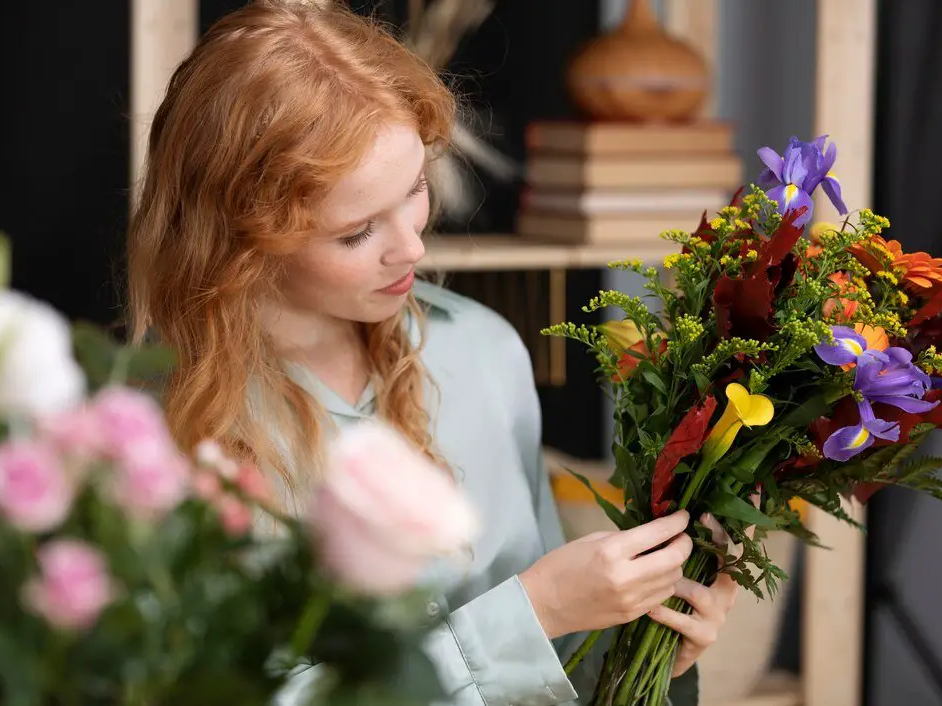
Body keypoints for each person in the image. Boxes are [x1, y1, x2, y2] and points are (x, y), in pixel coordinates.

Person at [126, 2, 738, 704]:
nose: (413, 247)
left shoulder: (482, 351)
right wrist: (533, 613)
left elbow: (561, 674)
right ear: (241, 241)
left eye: (414, 188)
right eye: (356, 232)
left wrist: (653, 647)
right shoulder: (158, 434)